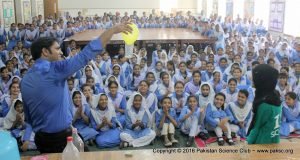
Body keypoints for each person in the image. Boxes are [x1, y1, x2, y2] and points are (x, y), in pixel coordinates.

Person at [20, 22, 132, 153]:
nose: (61, 52)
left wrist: (27, 137)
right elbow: (87, 53)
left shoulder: (25, 80)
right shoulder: (54, 69)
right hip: (60, 139)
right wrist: (113, 30)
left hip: (42, 139)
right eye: (57, 49)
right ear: (45, 52)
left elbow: (29, 117)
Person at [247, 64, 282, 144]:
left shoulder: (264, 104)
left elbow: (256, 127)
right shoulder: (275, 97)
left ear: (262, 80)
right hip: (274, 139)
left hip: (262, 142)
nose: (253, 80)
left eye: (255, 78)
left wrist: (247, 143)